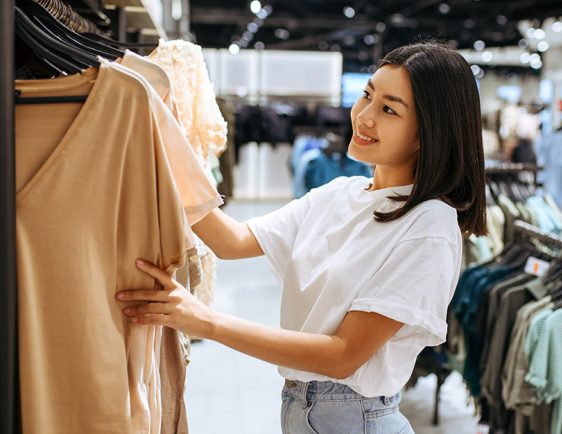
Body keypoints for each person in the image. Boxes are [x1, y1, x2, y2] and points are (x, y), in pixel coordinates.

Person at [117, 42, 487, 433]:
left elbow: (342, 356)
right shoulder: (338, 193)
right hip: (300, 407)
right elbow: (232, 241)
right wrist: (165, 141)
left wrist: (206, 321)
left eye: (389, 109)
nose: (363, 116)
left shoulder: (429, 226)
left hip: (354, 418)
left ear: (427, 133)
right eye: (366, 95)